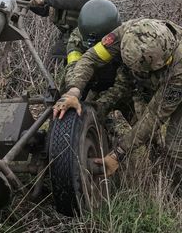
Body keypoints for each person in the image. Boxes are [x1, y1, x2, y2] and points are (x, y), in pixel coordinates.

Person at [53, 18, 182, 192]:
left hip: (175, 83)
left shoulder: (178, 71)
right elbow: (91, 58)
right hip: (147, 82)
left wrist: (117, 154)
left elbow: (154, 117)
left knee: (175, 148)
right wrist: (74, 91)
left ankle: (174, 193)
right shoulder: (127, 33)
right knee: (148, 132)